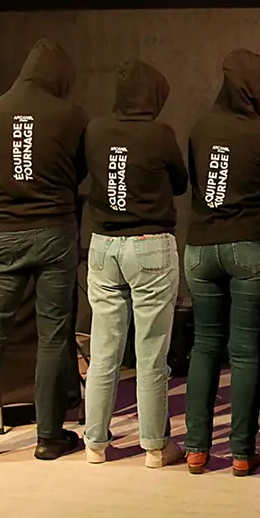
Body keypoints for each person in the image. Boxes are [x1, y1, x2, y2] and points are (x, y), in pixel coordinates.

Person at [0, 39, 87, 463]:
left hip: (2, 235)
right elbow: (78, 172)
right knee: (53, 336)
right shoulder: (72, 115)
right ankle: (49, 436)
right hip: (54, 234)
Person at [184, 49, 260, 476]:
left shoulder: (201, 127)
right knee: (245, 352)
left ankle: (196, 449)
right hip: (250, 247)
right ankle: (242, 453)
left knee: (204, 346)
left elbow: (196, 182)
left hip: (200, 248)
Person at [83, 60, 188, 468]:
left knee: (103, 352)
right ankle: (155, 447)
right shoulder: (160, 134)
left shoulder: (95, 130)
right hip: (149, 247)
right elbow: (179, 183)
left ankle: (94, 443)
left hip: (103, 247)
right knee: (151, 354)